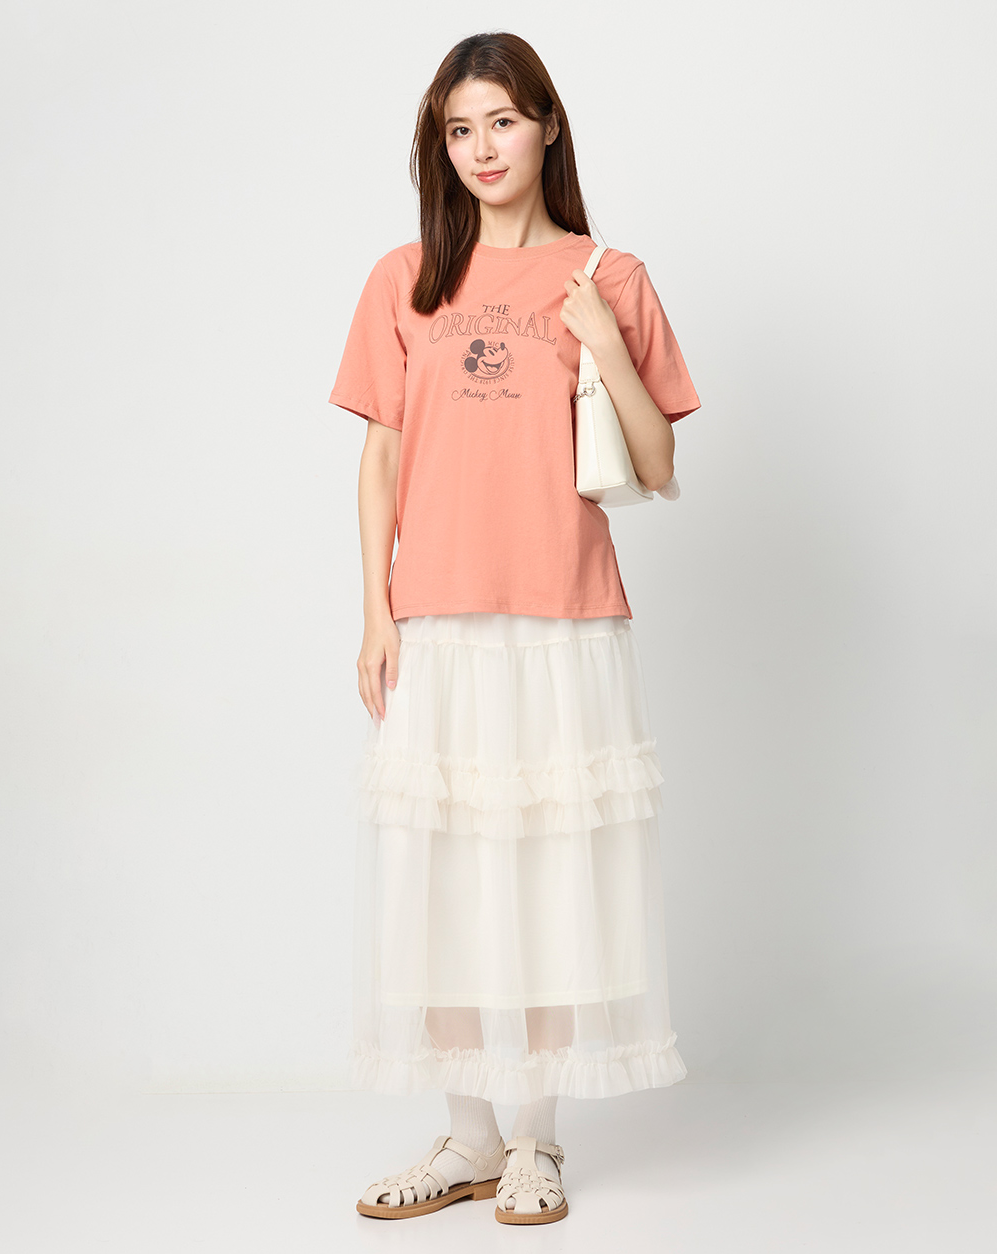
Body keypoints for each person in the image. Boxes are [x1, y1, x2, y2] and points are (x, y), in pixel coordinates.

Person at [328, 30, 701, 1226]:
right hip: (435, 619)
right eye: (458, 129)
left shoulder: (608, 277)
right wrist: (375, 610)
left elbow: (659, 466)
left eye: (500, 121)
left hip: (561, 619)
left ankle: (535, 1141)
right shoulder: (404, 279)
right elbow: (380, 458)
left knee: (545, 876)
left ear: (546, 126)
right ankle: (469, 1139)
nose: (482, 149)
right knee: (439, 875)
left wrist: (603, 342)